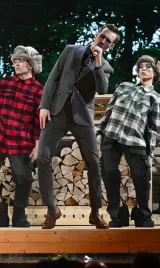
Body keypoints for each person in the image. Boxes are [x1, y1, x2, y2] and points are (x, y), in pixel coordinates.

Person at [37, 24, 120, 229]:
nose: (104, 41)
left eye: (109, 41)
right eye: (103, 36)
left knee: (93, 162)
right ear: (97, 34)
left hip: (82, 117)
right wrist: (44, 106)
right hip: (57, 112)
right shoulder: (71, 50)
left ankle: (95, 213)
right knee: (42, 157)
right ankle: (51, 210)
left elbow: (102, 90)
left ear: (111, 45)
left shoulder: (106, 66)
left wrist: (98, 63)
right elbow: (53, 78)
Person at [0, 46, 43, 227]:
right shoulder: (4, 83)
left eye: (20, 60)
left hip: (22, 141)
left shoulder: (39, 90)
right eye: (15, 60)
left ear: (30, 65)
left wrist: (37, 145)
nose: (16, 63)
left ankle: (19, 216)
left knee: (23, 179)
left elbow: (38, 121)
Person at [99, 55, 160, 228]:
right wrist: (100, 133)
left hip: (135, 139)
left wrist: (149, 147)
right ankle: (118, 213)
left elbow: (154, 127)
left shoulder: (155, 97)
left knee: (141, 177)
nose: (143, 69)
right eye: (141, 66)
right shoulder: (123, 87)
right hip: (111, 135)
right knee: (109, 174)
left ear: (155, 73)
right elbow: (108, 112)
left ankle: (143, 215)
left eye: (148, 67)